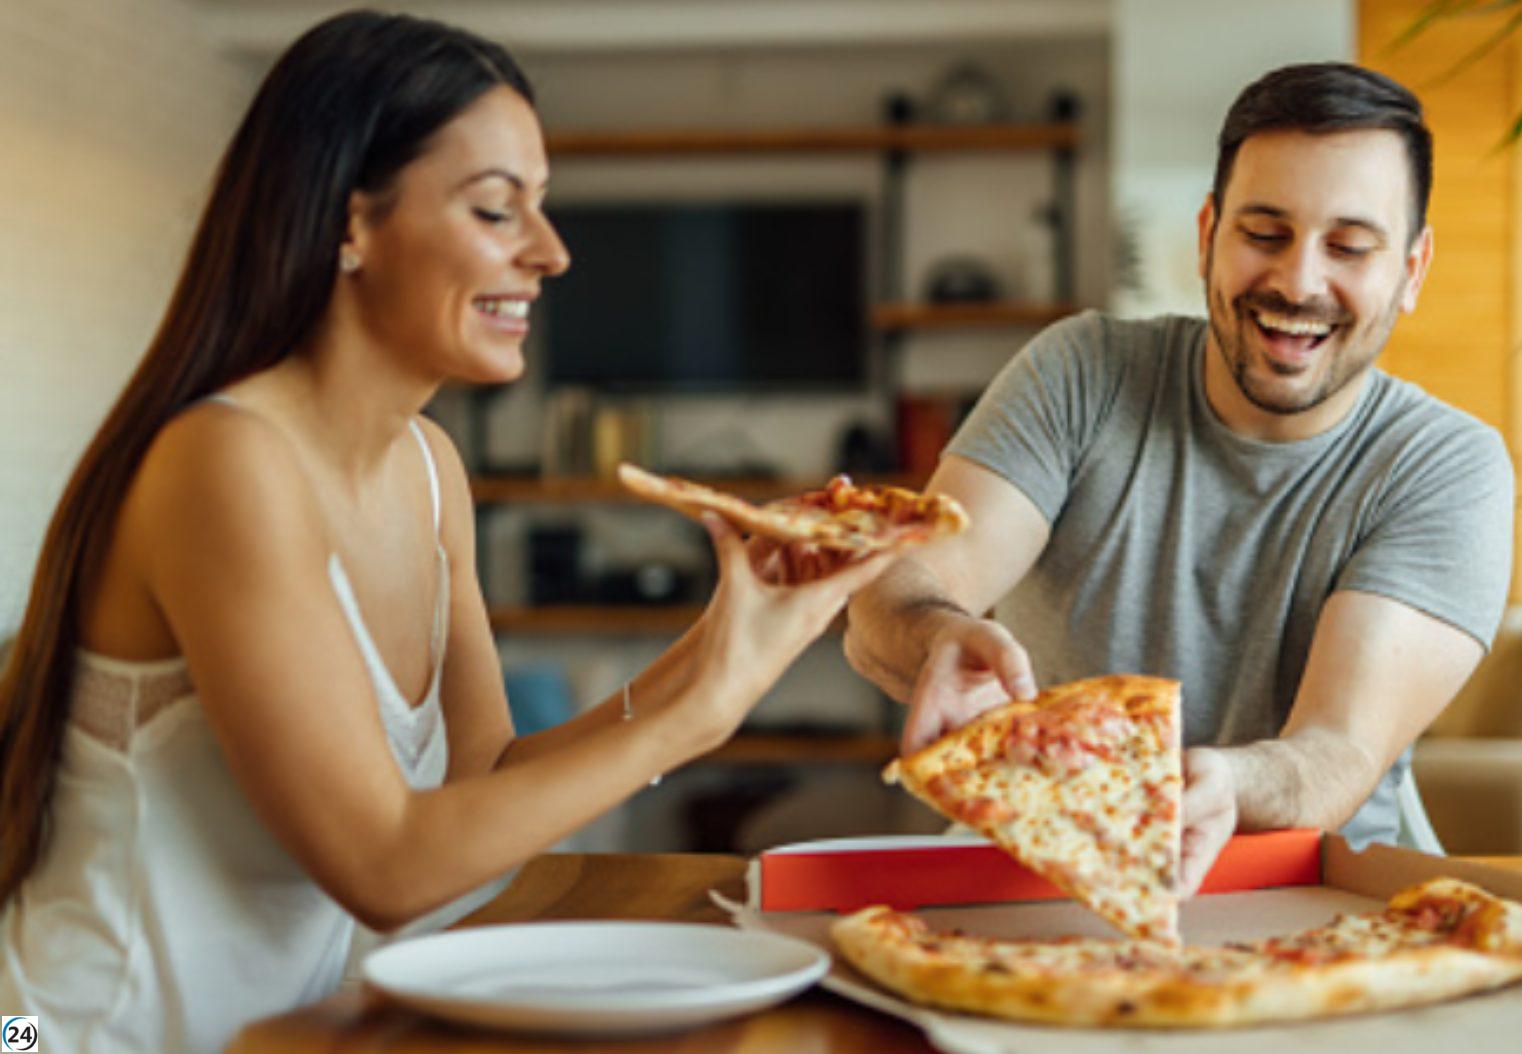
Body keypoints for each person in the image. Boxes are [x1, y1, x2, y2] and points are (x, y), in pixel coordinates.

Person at [0, 12, 898, 1052]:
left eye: (543, 209)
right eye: (494, 209)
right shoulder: (226, 463)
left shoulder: (431, 469)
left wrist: (733, 643)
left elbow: (480, 804)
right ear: (352, 223)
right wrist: (702, 713)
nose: (552, 253)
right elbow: (387, 866)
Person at [845, 63, 1514, 892]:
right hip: (1043, 872)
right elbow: (889, 596)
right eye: (1264, 233)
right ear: (1208, 235)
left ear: (1411, 270)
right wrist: (938, 634)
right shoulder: (1078, 373)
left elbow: (1337, 753)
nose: (1300, 281)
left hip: (1311, 897)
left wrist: (1219, 785)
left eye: (1349, 246)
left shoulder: (1446, 466)